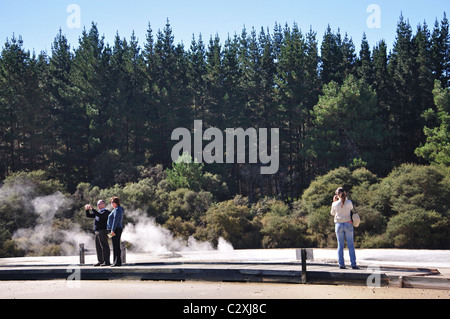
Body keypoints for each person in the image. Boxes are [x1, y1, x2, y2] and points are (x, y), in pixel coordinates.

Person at [330, 188, 359, 270]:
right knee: (350, 245)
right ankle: (353, 264)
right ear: (345, 193)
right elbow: (351, 209)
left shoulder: (335, 204)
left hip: (338, 225)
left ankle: (341, 264)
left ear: (337, 194)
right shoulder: (349, 202)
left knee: (340, 245)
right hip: (348, 224)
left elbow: (332, 213)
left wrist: (334, 201)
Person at [85, 200, 111, 266]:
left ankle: (106, 261)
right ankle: (100, 261)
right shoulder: (98, 212)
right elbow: (89, 215)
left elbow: (100, 216)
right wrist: (87, 209)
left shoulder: (106, 212)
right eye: (97, 204)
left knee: (104, 246)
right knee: (98, 247)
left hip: (103, 230)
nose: (98, 206)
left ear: (103, 204)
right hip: (97, 231)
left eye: (99, 204)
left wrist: (92, 209)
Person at [107, 196, 124, 267]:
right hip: (114, 229)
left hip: (115, 229)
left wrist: (112, 230)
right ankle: (116, 261)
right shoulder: (116, 209)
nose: (111, 203)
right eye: (111, 202)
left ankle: (117, 262)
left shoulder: (117, 210)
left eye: (112, 202)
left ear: (116, 203)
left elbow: (115, 221)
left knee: (116, 246)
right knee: (115, 245)